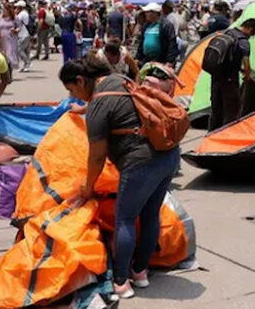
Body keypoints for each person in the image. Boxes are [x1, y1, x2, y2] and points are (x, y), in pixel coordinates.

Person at [61, 56, 179, 300]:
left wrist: (88, 187)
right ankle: (140, 272)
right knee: (150, 214)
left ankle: (121, 282)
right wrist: (84, 109)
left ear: (81, 80)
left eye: (72, 90)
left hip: (141, 162)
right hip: (168, 155)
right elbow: (120, 107)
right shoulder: (122, 80)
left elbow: (96, 157)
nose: (74, 96)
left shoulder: (98, 105)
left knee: (125, 219)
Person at [208, 18, 255, 130]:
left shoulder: (227, 33)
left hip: (216, 77)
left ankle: (211, 134)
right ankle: (226, 134)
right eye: (252, 34)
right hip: (230, 80)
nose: (250, 37)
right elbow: (246, 65)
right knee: (231, 111)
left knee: (216, 109)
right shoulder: (243, 42)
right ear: (250, 29)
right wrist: (247, 75)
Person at [14, 1, 33, 72]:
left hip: (23, 34)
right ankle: (26, 65)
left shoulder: (21, 14)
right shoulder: (25, 13)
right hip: (26, 34)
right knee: (26, 51)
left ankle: (27, 63)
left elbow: (16, 22)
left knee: (19, 50)